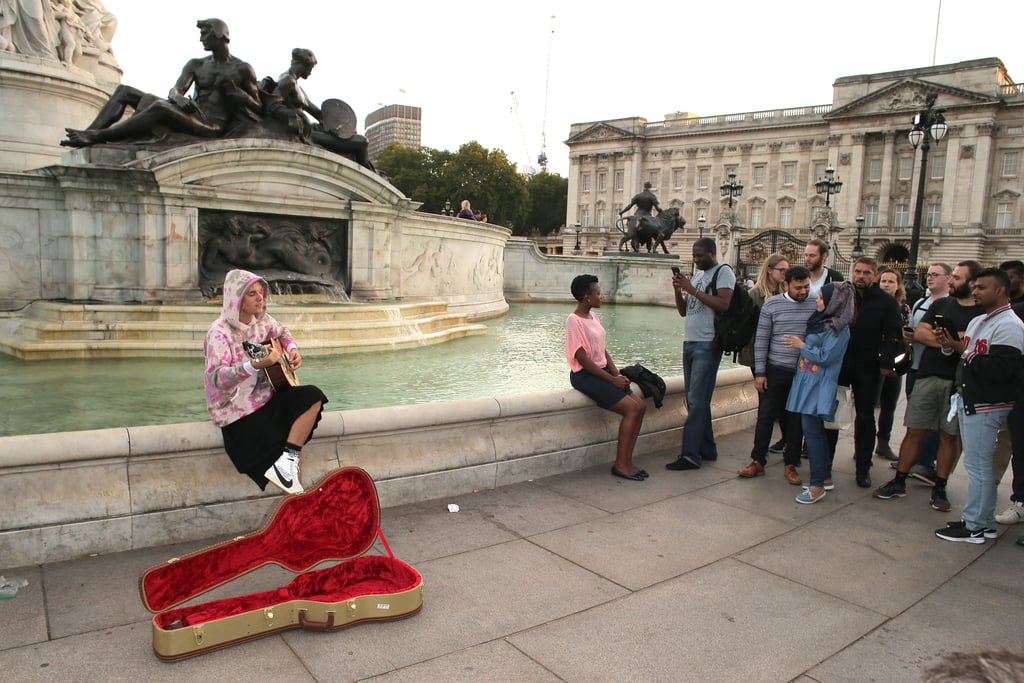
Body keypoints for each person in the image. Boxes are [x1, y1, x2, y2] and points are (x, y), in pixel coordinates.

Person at [204, 269, 328, 495]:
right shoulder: (219, 333)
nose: (260, 298)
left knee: (312, 396)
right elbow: (217, 378)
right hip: (236, 413)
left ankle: (286, 466)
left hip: (267, 399)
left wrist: (291, 349)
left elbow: (283, 332)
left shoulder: (262, 321)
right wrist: (254, 366)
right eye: (252, 294)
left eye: (261, 292)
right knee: (283, 435)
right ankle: (295, 504)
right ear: (237, 300)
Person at [873, 261, 983, 511]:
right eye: (952, 276)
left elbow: (977, 344)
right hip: (928, 374)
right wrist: (957, 340)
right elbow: (921, 333)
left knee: (949, 436)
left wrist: (953, 339)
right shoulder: (942, 304)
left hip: (959, 382)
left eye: (957, 277)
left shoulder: (982, 313)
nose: (952, 281)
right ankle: (899, 480)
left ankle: (940, 486)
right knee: (915, 429)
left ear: (972, 282)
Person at [62, 18, 261, 147]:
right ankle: (88, 134)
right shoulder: (196, 64)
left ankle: (99, 135)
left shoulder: (242, 68)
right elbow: (175, 89)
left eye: (205, 34)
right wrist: (178, 97)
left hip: (212, 124)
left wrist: (241, 96)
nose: (201, 39)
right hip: (190, 112)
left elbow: (258, 107)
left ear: (219, 35)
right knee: (124, 91)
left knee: (160, 108)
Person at [935, 268, 1024, 543]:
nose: (975, 292)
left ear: (1000, 290)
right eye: (974, 287)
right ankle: (981, 522)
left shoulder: (1010, 325)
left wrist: (964, 351)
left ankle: (974, 525)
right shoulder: (978, 321)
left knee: (979, 466)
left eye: (981, 287)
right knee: (977, 464)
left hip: (989, 402)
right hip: (968, 397)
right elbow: (967, 357)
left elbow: (1002, 369)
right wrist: (950, 345)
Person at [737, 265, 817, 484]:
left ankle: (790, 463)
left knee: (795, 419)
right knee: (765, 417)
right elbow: (761, 340)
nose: (803, 292)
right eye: (799, 287)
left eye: (806, 287)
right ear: (786, 284)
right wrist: (760, 372)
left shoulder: (815, 304)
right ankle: (758, 460)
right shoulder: (772, 305)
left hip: (802, 372)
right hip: (775, 369)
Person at [566, 274, 647, 481]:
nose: (602, 297)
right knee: (632, 408)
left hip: (603, 372)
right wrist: (612, 380)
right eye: (598, 293)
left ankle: (627, 461)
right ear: (587, 296)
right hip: (585, 375)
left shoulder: (594, 317)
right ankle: (620, 465)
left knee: (641, 406)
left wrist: (617, 373)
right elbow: (582, 358)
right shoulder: (573, 320)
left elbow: (603, 350)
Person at [784, 281, 857, 503]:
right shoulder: (822, 322)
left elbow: (826, 357)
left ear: (834, 302)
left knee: (813, 434)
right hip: (807, 382)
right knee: (815, 432)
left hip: (818, 385)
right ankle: (823, 478)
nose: (817, 300)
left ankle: (817, 485)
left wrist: (801, 346)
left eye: (822, 298)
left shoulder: (838, 329)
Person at [666, 237, 734, 470]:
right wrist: (679, 291)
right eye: (694, 256)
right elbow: (685, 311)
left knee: (696, 400)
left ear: (713, 253)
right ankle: (707, 448)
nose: (696, 260)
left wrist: (691, 289)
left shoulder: (723, 272)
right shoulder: (697, 276)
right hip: (690, 342)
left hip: (707, 343)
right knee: (697, 399)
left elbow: (724, 304)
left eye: (700, 256)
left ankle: (690, 454)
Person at [840, 257, 903, 488]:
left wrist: (886, 363)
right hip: (841, 363)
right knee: (833, 411)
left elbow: (894, 336)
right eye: (858, 271)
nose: (861, 276)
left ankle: (863, 467)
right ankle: (824, 461)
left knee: (865, 416)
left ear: (875, 276)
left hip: (868, 367)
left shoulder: (886, 303)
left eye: (867, 273)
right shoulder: (844, 295)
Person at [895, 262, 952, 484]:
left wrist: (922, 335)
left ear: (948, 279)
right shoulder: (921, 302)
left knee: (934, 420)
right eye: (928, 275)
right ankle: (911, 458)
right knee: (915, 417)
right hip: (915, 364)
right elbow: (918, 330)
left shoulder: (950, 304)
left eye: (935, 275)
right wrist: (912, 335)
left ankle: (926, 462)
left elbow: (945, 339)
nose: (929, 278)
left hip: (936, 369)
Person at [267, 48, 372, 169]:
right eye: (311, 68)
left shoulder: (297, 86)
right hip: (305, 133)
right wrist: (298, 116)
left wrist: (341, 126)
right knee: (362, 142)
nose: (311, 72)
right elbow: (272, 107)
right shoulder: (287, 81)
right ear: (303, 65)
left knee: (356, 139)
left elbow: (317, 112)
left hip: (311, 128)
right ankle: (366, 177)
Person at [737, 253, 791, 457]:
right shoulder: (755, 294)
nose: (785, 273)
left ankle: (786, 440)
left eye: (787, 269)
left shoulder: (787, 292)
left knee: (783, 401)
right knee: (768, 402)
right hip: (759, 355)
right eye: (782, 270)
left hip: (782, 354)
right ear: (770, 270)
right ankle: (765, 448)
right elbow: (748, 326)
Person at [874, 267, 911, 461]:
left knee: (889, 404)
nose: (886, 284)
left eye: (891, 281)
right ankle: (862, 444)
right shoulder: (870, 304)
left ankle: (883, 442)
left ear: (898, 285)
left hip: (895, 360)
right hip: (873, 360)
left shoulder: (903, 307)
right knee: (869, 405)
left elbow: (904, 334)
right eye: (883, 281)